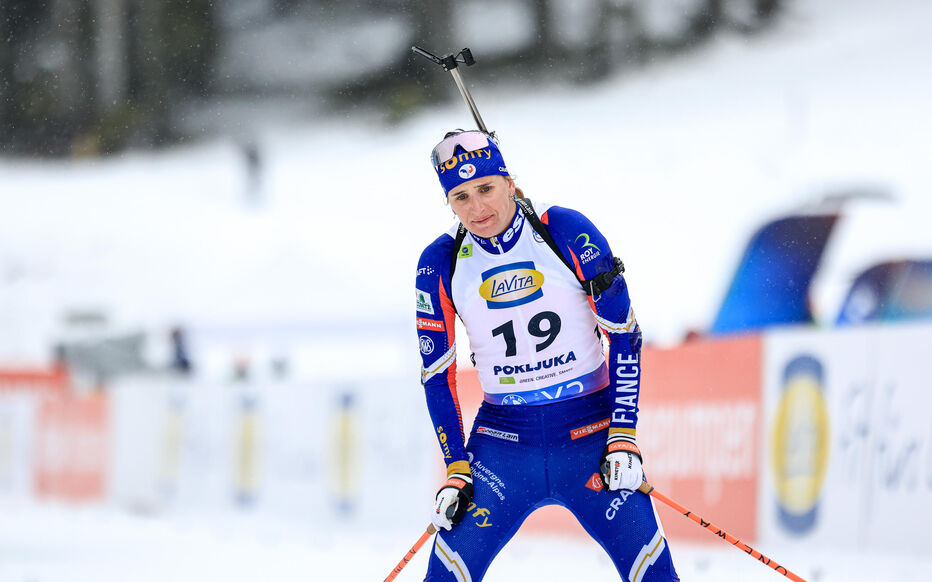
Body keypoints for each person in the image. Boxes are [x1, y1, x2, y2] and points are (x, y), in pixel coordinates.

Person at [414, 130, 678, 581]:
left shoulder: (564, 231)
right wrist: (456, 467)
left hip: (591, 436)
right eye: (461, 197)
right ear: (449, 203)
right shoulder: (441, 262)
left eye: (486, 188)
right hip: (503, 447)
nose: (477, 208)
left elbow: (624, 335)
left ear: (510, 183)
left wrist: (623, 435)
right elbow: (437, 376)